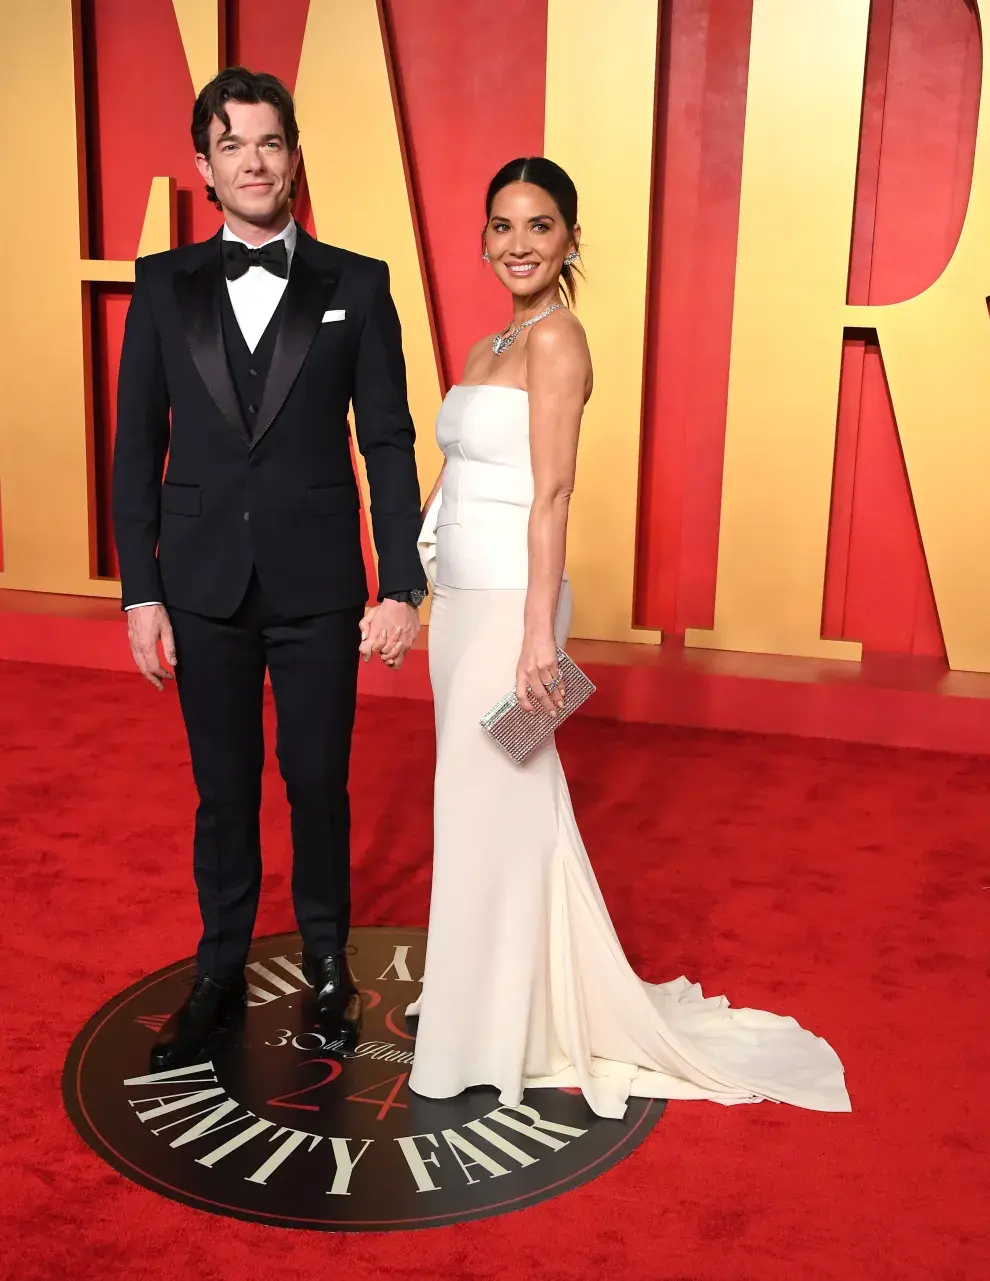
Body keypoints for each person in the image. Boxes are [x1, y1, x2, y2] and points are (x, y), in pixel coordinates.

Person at [405, 157, 850, 1119]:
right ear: (483, 238)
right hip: (461, 608)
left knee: (496, 802)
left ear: (570, 240)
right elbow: (452, 478)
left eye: (540, 226)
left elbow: (554, 491)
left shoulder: (558, 340)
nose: (518, 243)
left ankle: (497, 1031)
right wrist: (407, 589)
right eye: (503, 226)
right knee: (486, 811)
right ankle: (497, 1011)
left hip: (514, 610)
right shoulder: (488, 345)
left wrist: (535, 635)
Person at [112, 67, 427, 1071]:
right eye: (233, 144)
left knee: (318, 778)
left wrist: (403, 582)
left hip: (320, 582)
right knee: (223, 785)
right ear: (204, 166)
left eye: (271, 142)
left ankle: (330, 961)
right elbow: (133, 447)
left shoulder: (360, 281)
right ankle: (218, 972)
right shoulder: (162, 283)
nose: (255, 160)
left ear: (294, 157)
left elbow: (386, 439)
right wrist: (141, 589)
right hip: (199, 581)